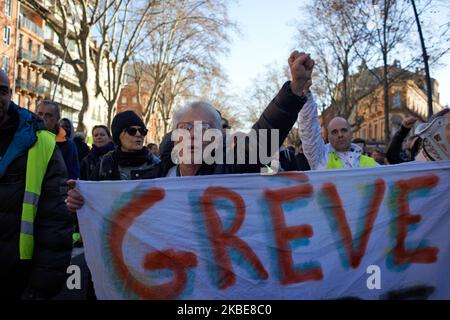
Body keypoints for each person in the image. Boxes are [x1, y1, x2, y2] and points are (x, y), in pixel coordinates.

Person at [67, 50, 315, 208]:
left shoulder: (233, 171)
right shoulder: (149, 179)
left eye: (203, 128)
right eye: (185, 127)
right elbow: (116, 211)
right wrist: (85, 201)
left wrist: (294, 89)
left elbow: (263, 137)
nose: (193, 135)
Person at [0, 69, 72, 299]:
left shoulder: (43, 144)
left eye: (2, 91)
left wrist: (40, 289)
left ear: (10, 94)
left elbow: (55, 223)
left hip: (16, 277)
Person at [298, 89, 378, 170]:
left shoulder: (371, 163)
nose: (340, 135)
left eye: (344, 130)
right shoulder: (321, 158)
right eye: (334, 132)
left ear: (351, 134)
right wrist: (305, 93)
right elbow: (309, 131)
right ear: (329, 137)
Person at [37, 101, 80, 179]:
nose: (43, 118)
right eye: (40, 114)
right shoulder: (28, 139)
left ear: (57, 119)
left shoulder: (68, 145)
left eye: (49, 115)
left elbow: (72, 176)